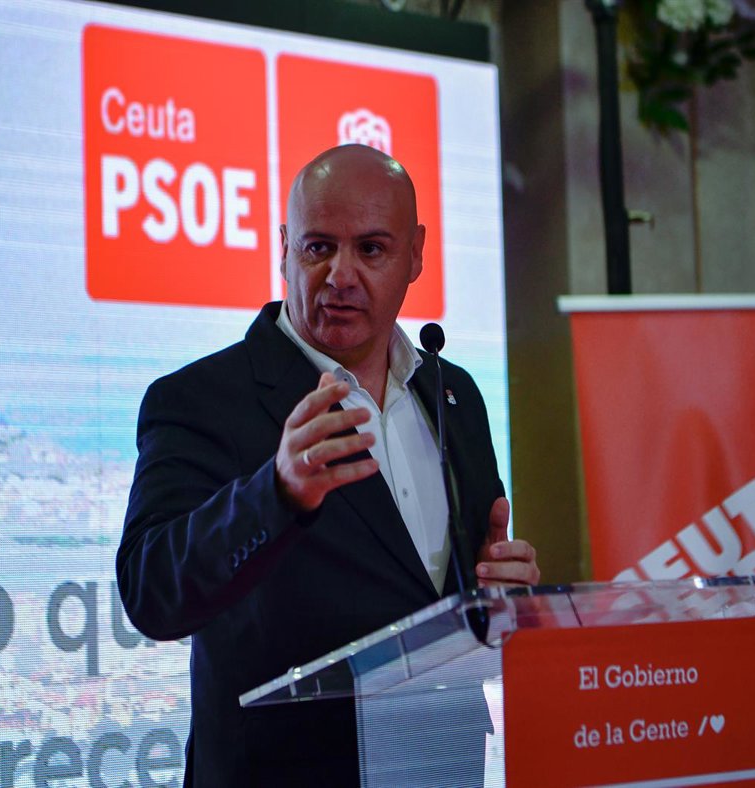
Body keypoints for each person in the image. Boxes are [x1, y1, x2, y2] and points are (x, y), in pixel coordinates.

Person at [116, 144, 539, 787]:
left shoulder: (453, 394)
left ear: (415, 255)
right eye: (319, 248)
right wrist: (276, 492)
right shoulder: (201, 399)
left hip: (441, 764)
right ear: (284, 248)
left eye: (371, 249)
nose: (341, 275)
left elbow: (438, 597)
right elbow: (151, 594)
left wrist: (496, 598)